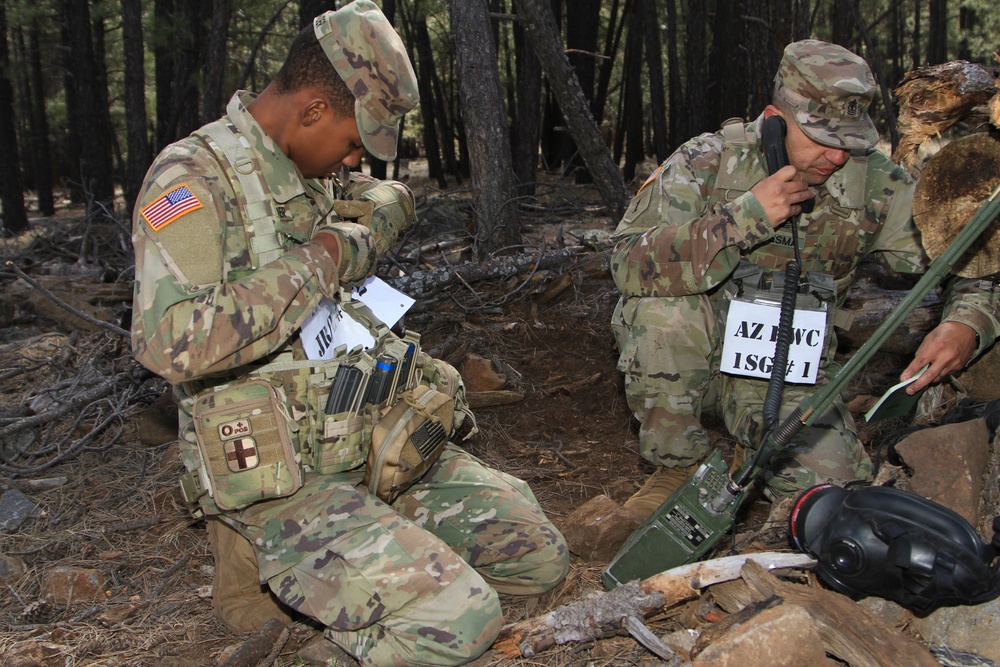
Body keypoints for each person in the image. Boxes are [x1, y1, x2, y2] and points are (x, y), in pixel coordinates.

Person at [129, 3, 569, 665]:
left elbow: (383, 202)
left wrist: (376, 215)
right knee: (462, 618)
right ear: (310, 111)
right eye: (353, 140)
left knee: (538, 557)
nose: (354, 158)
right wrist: (327, 256)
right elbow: (173, 343)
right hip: (284, 480)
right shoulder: (192, 181)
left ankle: (385, 560)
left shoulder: (310, 172)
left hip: (370, 444)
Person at [609, 39, 1000, 520]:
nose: (837, 157)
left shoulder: (873, 183)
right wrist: (742, 218)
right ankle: (676, 465)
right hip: (694, 367)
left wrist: (969, 321)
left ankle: (754, 442)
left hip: (790, 375)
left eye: (849, 141)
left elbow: (972, 256)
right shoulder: (708, 162)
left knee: (837, 505)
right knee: (663, 311)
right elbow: (628, 261)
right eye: (822, 137)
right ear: (774, 119)